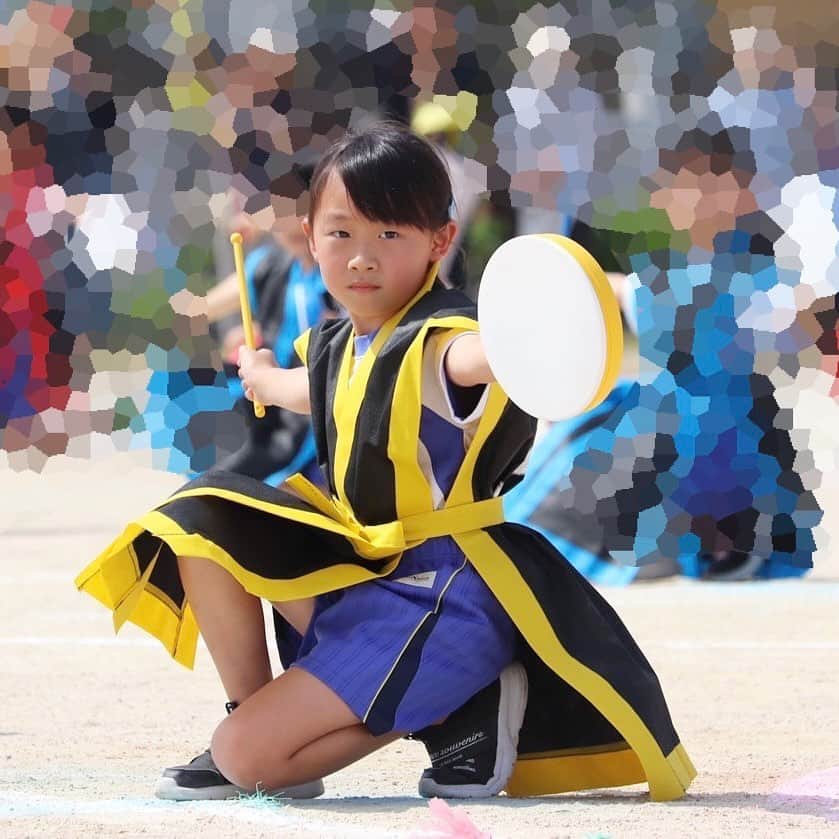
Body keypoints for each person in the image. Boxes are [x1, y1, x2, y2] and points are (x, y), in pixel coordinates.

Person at [76, 122, 693, 803]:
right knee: (203, 516)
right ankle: (258, 717)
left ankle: (455, 699)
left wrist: (562, 315)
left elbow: (482, 358)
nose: (361, 257)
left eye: (389, 234)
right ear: (310, 237)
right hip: (370, 571)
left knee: (243, 756)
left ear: (439, 241)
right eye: (341, 234)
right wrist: (256, 370)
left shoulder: (444, 344)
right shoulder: (339, 342)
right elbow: (300, 387)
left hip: (443, 591)